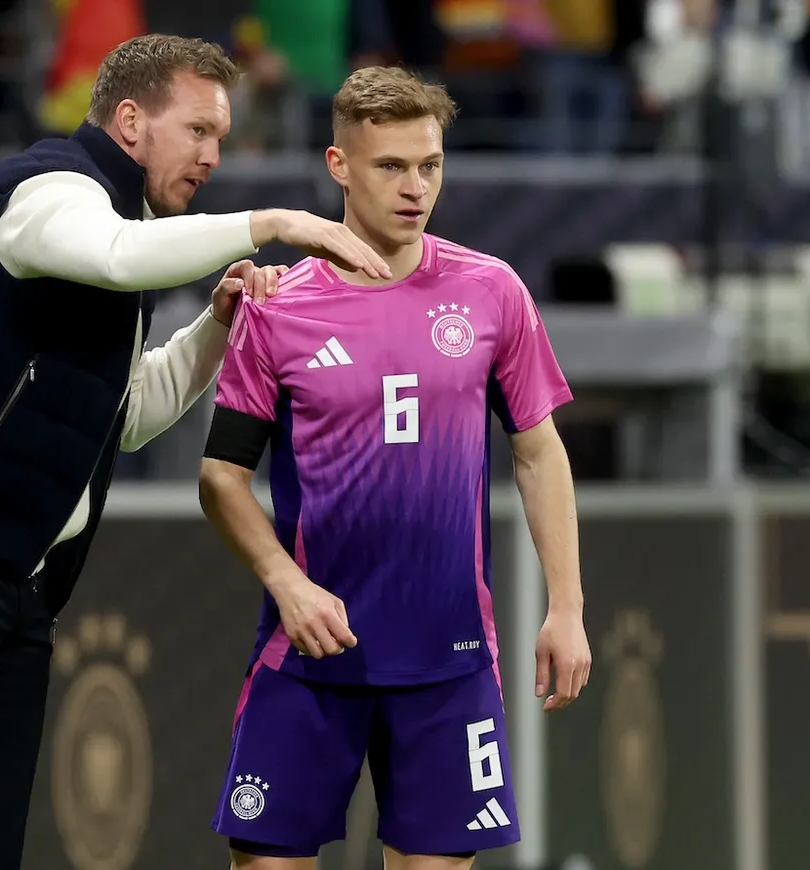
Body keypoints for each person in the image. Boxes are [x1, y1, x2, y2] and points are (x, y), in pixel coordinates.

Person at [0, 34, 392, 870]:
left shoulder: (122, 235)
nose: (213, 156)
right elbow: (116, 258)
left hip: (12, 579)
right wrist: (271, 224)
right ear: (130, 121)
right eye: (198, 131)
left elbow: (123, 418)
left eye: (221, 139)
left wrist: (216, 328)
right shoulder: (46, 189)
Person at [198, 66, 591, 870]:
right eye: (390, 167)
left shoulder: (492, 293)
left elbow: (538, 449)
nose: (415, 188)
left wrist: (568, 605)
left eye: (430, 166)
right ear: (339, 166)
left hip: (448, 662)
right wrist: (287, 583)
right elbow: (220, 477)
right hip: (307, 657)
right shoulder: (277, 305)